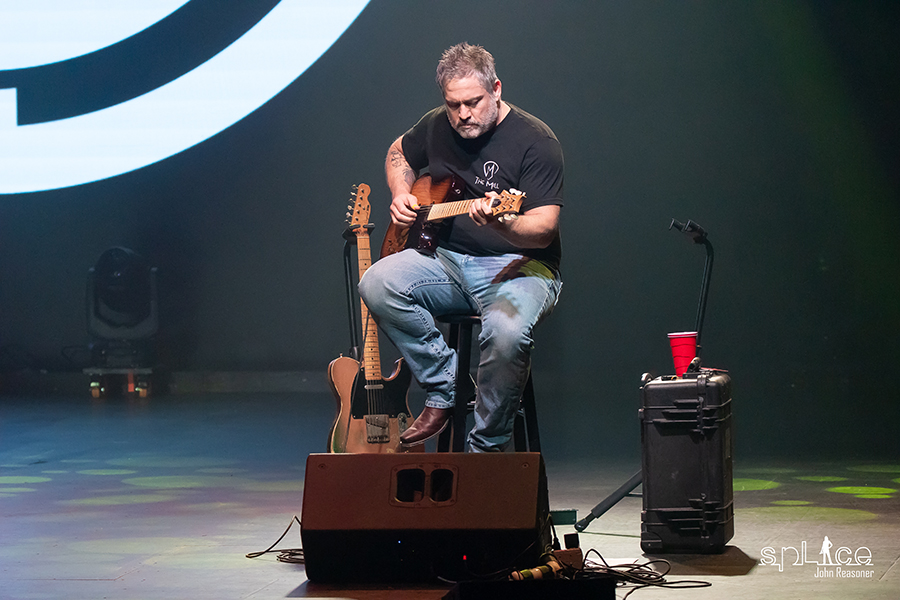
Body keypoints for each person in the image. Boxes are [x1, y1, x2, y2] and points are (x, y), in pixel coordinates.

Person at [358, 43, 563, 452]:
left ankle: (484, 451)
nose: (463, 114)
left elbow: (543, 229)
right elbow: (399, 152)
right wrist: (400, 192)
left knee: (506, 335)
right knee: (376, 283)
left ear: (496, 89)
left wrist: (505, 221)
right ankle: (445, 386)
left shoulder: (536, 141)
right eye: (454, 105)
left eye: (473, 102)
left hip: (519, 266)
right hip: (447, 261)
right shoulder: (437, 125)